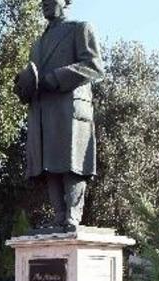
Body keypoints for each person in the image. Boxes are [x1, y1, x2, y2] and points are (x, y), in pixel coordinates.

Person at [13, 0, 104, 229]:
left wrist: (55, 78)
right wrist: (23, 86)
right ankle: (59, 217)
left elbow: (93, 66)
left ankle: (72, 216)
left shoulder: (80, 28)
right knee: (48, 164)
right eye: (42, 1)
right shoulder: (38, 44)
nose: (45, 4)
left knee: (72, 162)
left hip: (70, 107)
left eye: (50, 0)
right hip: (42, 111)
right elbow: (33, 78)